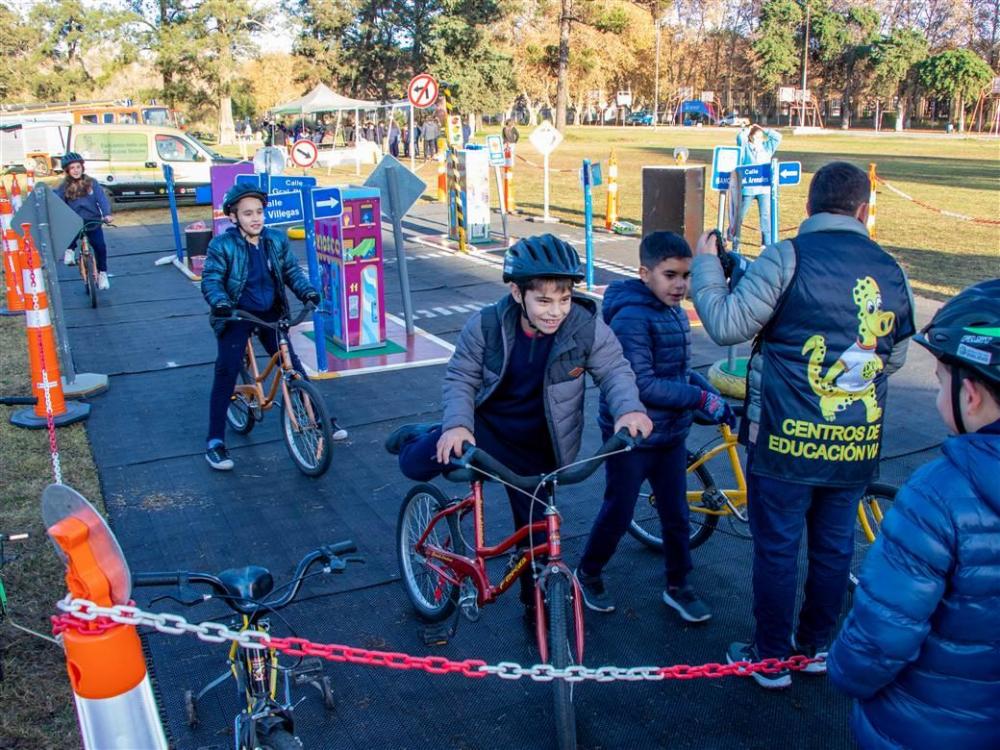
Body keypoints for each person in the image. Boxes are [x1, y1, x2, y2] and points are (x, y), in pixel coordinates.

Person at [690, 161, 916, 689]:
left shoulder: (786, 257)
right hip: (853, 442)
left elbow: (725, 325)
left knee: (778, 547)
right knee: (836, 547)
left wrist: (706, 266)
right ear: (863, 210)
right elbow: (895, 355)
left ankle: (770, 658)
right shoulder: (892, 270)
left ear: (808, 207)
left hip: (783, 439)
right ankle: (815, 648)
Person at [386, 235, 652, 622]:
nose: (555, 311)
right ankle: (422, 435)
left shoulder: (585, 326)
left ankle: (537, 604)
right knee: (416, 464)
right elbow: (461, 377)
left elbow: (614, 370)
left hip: (540, 443)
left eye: (563, 299)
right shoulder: (488, 325)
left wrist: (630, 409)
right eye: (544, 300)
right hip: (486, 429)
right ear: (516, 292)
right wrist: (458, 425)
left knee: (538, 534)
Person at [827, 281, 1000, 750]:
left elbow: (882, 637)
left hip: (924, 726)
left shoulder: (939, 495)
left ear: (972, 395)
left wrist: (843, 669)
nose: (937, 394)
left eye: (942, 381)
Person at [575, 232, 735, 622]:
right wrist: (698, 399)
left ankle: (679, 585)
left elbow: (678, 372)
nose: (680, 284)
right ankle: (588, 572)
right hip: (631, 437)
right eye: (670, 275)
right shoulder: (631, 317)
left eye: (686, 275)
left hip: (670, 435)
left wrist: (709, 393)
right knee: (619, 508)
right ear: (645, 273)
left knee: (677, 512)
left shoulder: (674, 312)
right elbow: (641, 383)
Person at [200, 183, 347, 471]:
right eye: (247, 214)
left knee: (292, 366)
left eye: (258, 212)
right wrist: (219, 302)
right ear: (233, 217)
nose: (255, 218)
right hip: (236, 314)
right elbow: (212, 279)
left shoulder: (275, 240)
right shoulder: (223, 245)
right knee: (226, 371)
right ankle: (215, 441)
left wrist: (307, 292)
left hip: (270, 312)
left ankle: (317, 418)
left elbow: (291, 272)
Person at [56, 152, 114, 290]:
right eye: (72, 168)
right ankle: (69, 250)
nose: (76, 170)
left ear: (82, 167)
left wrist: (106, 214)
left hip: (92, 219)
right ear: (67, 171)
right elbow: (58, 202)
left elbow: (102, 199)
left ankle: (102, 274)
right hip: (74, 220)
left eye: (78, 167)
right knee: (70, 230)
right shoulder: (64, 187)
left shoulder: (91, 183)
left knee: (100, 247)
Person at [732, 124, 782, 250]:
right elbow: (740, 138)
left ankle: (767, 243)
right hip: (748, 188)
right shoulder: (745, 147)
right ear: (751, 137)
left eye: (761, 137)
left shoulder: (767, 148)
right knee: (740, 215)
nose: (759, 139)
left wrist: (764, 129)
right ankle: (734, 239)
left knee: (765, 216)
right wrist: (748, 128)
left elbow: (778, 137)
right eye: (756, 137)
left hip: (764, 189)